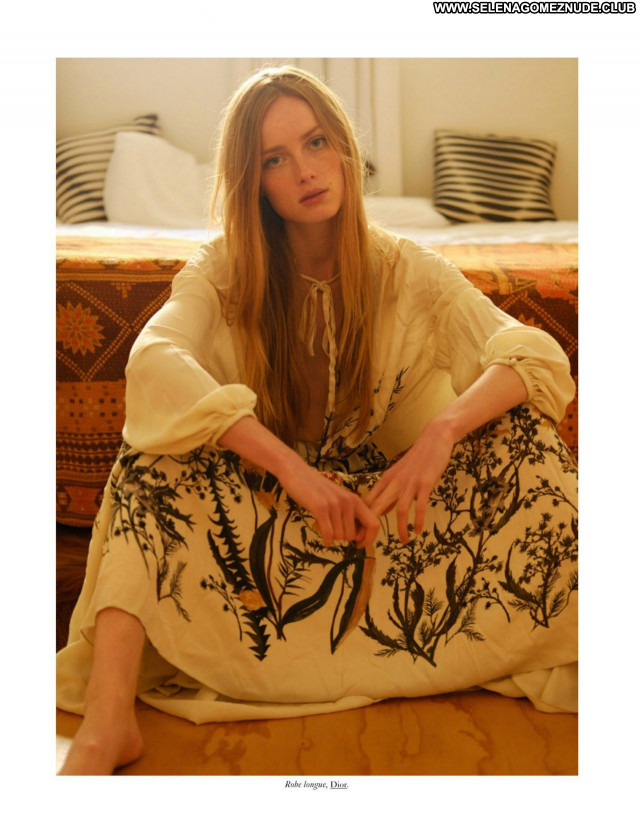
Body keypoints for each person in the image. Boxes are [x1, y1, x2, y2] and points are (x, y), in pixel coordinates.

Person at [57, 66, 578, 775]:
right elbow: (155, 359)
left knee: (529, 440)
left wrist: (441, 432)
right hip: (268, 528)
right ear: (254, 183)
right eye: (274, 159)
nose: (304, 170)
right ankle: (108, 719)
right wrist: (290, 469)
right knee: (153, 456)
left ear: (343, 149)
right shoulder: (222, 270)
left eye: (315, 142)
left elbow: (531, 354)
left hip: (393, 523)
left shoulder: (406, 268)